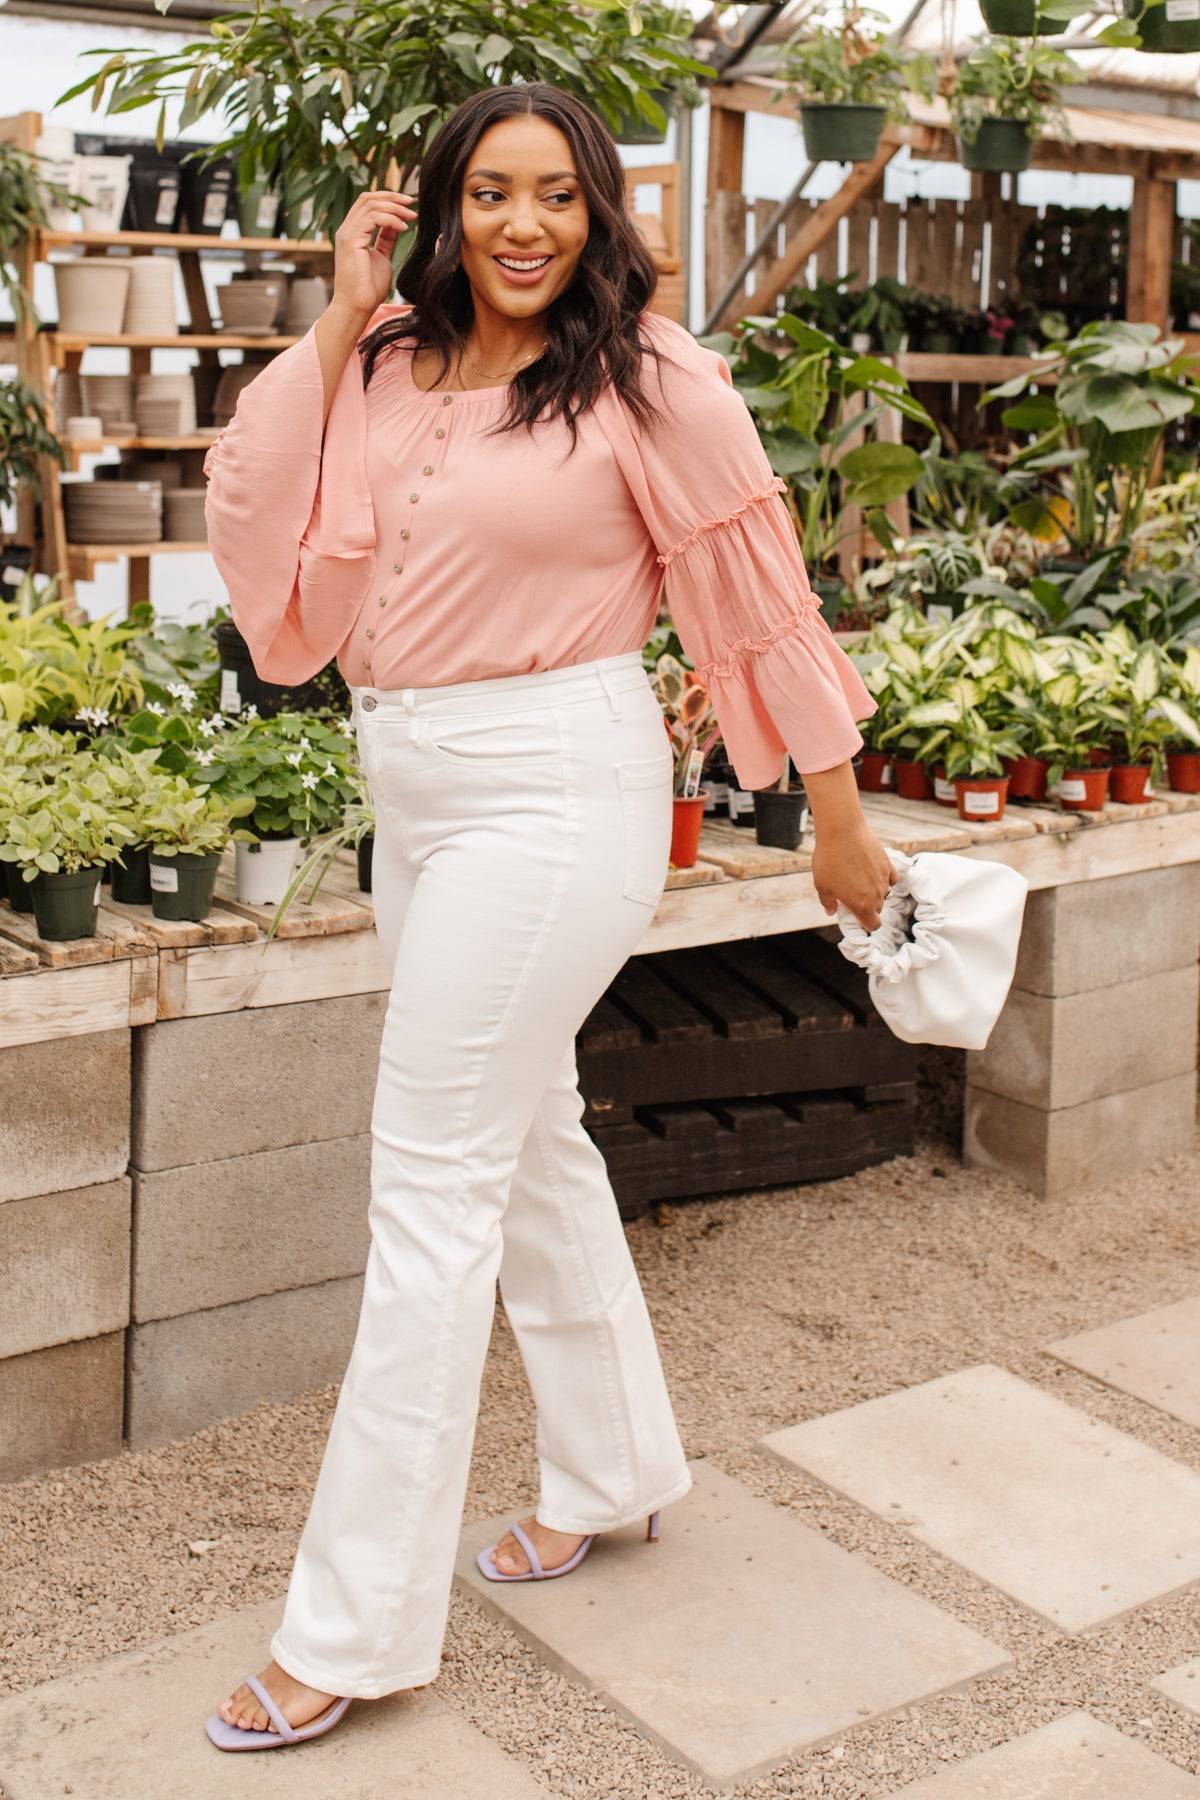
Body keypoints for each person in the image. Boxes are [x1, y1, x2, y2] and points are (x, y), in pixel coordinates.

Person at [201, 80, 896, 1753]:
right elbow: (256, 504)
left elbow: (757, 584)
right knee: (523, 1150)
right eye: (493, 193)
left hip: (557, 784)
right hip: (417, 788)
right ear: (445, 208)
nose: (525, 225)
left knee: (429, 1187)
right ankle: (614, 1468)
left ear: (599, 214)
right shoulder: (384, 357)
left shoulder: (650, 375)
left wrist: (839, 818)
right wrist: (343, 309)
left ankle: (353, 1628)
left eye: (560, 195)